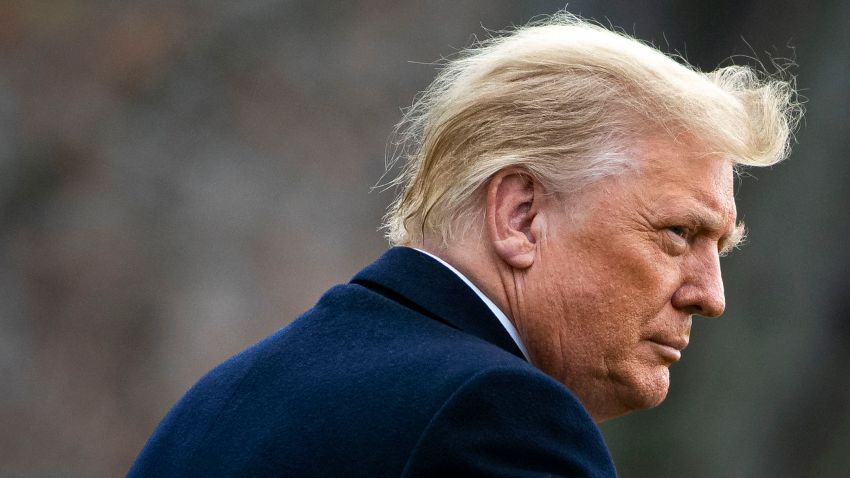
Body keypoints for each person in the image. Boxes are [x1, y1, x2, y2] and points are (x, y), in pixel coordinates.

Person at [128, 13, 799, 477]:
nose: (709, 294)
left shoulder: (223, 398)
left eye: (720, 246)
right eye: (678, 234)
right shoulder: (497, 419)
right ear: (520, 215)